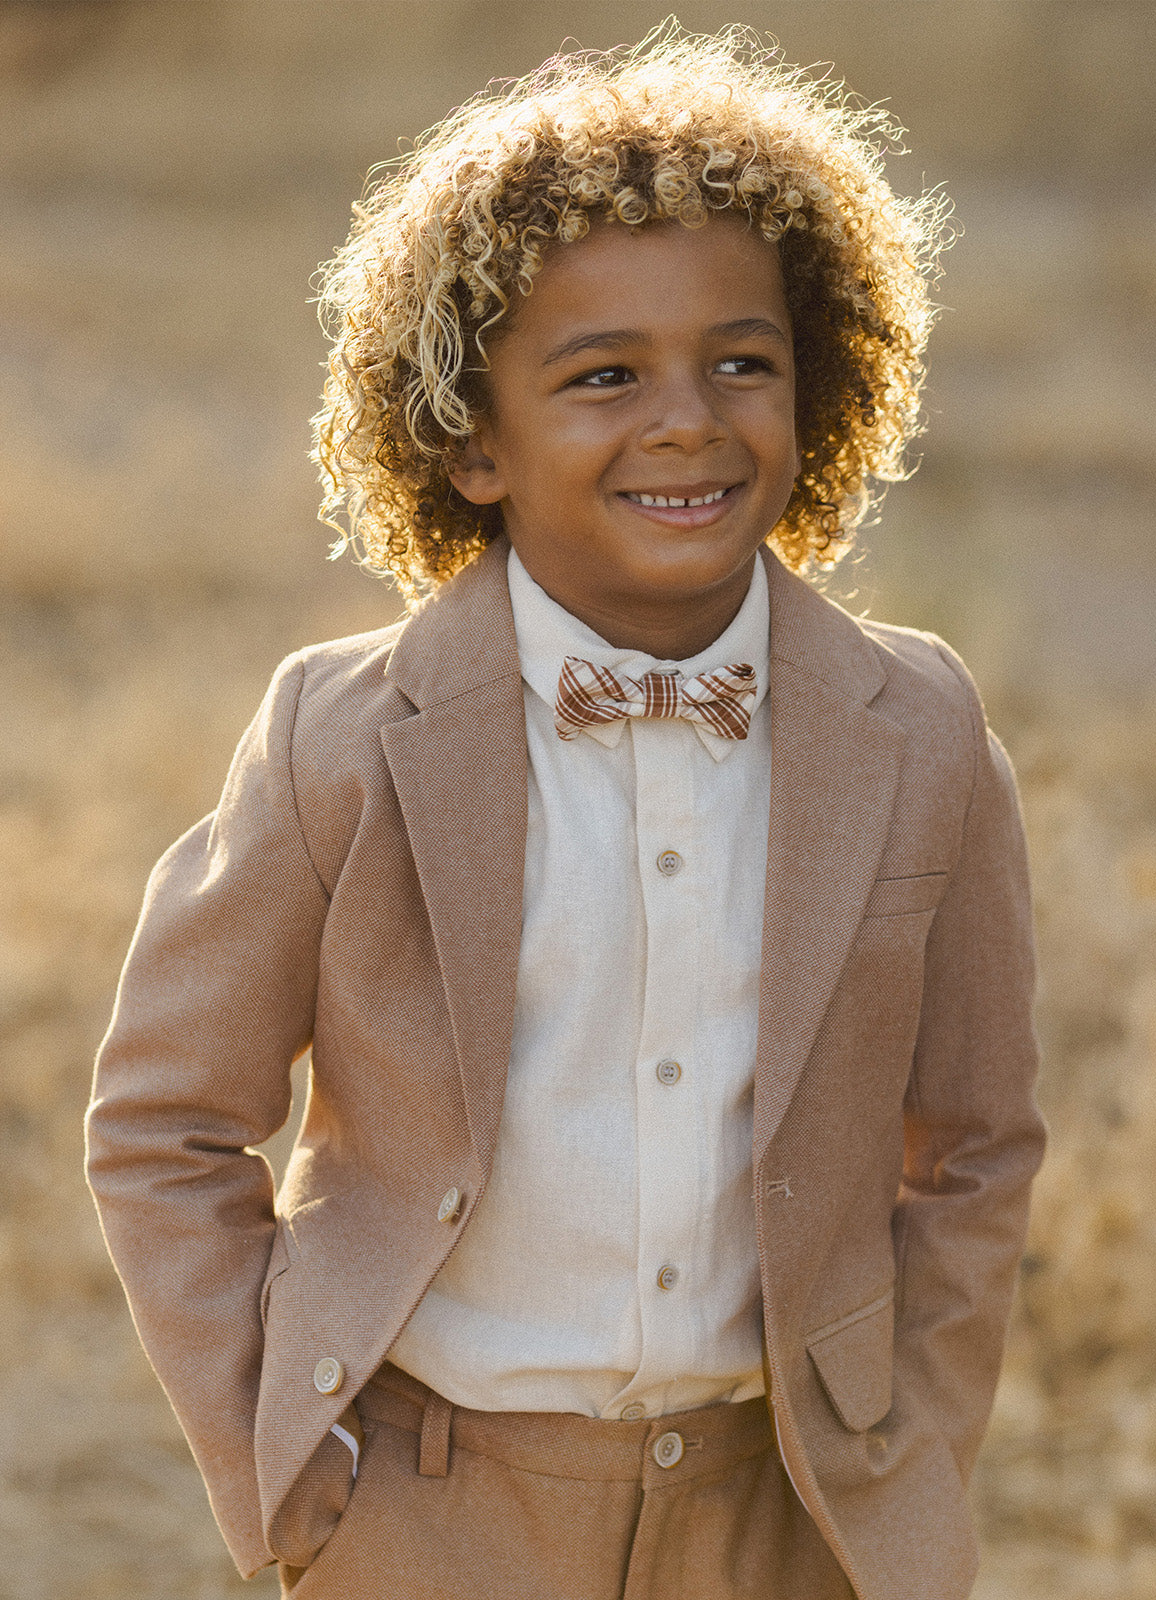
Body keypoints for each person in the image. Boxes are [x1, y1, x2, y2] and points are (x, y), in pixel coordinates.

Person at [86, 25, 1045, 1600]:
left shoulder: (921, 730)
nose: (686, 419)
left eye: (743, 360)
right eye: (603, 377)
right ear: (470, 438)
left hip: (787, 1510)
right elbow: (162, 1125)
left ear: (822, 386)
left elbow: (978, 1146)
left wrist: (912, 1445)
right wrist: (285, 1475)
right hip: (425, 1506)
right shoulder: (342, 738)